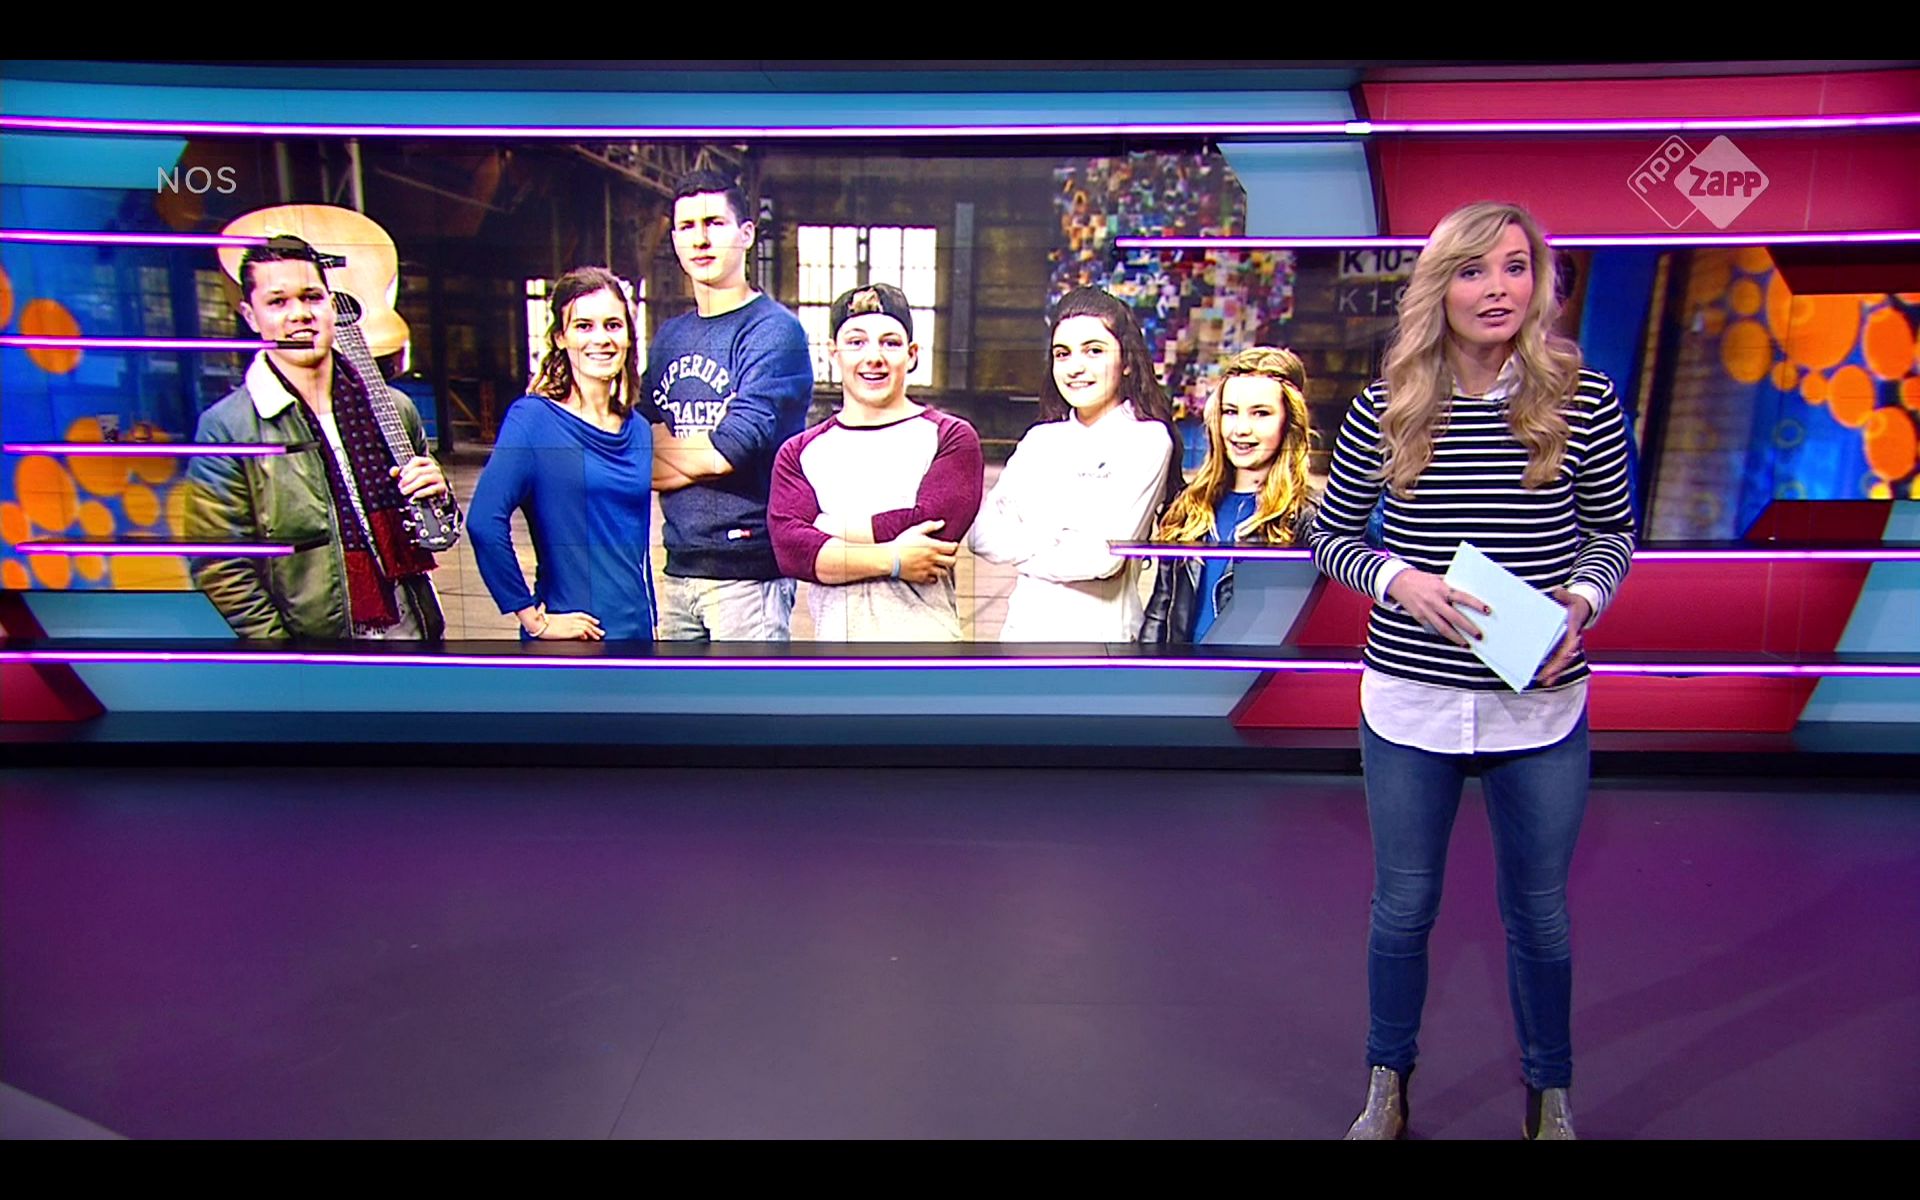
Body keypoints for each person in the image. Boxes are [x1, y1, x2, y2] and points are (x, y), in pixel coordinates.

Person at [1306, 201, 1636, 1140]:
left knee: (1541, 915)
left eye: (1515, 267)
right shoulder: (1388, 405)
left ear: (1540, 282)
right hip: (1411, 701)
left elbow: (1613, 533)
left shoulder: (1584, 399)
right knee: (1404, 907)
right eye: (1473, 270)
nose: (1498, 289)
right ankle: (1387, 1084)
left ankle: (1551, 1095)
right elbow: (1330, 534)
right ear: (1438, 287)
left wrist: (1580, 602)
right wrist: (1397, 579)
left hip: (1540, 703)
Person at [187, 239, 448, 638]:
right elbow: (220, 569)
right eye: (278, 302)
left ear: (332, 306)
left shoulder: (393, 408)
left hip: (412, 632)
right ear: (251, 316)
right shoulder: (227, 429)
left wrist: (439, 497)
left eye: (312, 297)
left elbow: (436, 531)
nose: (300, 314)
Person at [647, 168, 814, 640]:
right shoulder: (669, 337)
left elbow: (729, 451)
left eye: (714, 223)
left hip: (748, 577)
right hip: (678, 569)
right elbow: (638, 451)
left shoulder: (773, 331)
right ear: (675, 241)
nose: (700, 239)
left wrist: (685, 452)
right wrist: (699, 453)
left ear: (746, 234)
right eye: (687, 226)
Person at [769, 284, 982, 641]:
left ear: (912, 355)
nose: (874, 357)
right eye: (856, 342)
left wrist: (823, 526)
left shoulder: (951, 437)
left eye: (890, 343)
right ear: (833, 353)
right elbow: (792, 551)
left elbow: (934, 527)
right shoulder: (799, 452)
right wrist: (895, 559)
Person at [969, 287, 1179, 641]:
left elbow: (1101, 559)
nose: (1076, 367)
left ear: (1127, 361)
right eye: (1062, 354)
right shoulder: (1039, 440)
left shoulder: (1147, 439)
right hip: (1022, 638)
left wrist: (1028, 536)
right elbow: (982, 535)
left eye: (1094, 351)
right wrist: (1064, 538)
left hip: (1100, 645)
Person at [468, 266, 660, 641]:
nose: (601, 338)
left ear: (628, 335)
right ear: (560, 337)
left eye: (613, 325)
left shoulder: (637, 429)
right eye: (584, 326)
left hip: (636, 634)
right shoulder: (534, 420)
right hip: (575, 640)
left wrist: (651, 622)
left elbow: (636, 543)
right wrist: (534, 619)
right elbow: (484, 523)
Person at [1139, 346, 1314, 644]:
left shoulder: (1303, 517)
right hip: (1183, 669)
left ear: (1289, 421)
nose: (1241, 429)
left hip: (1252, 673)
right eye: (1230, 412)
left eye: (1260, 413)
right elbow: (1159, 614)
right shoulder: (1190, 506)